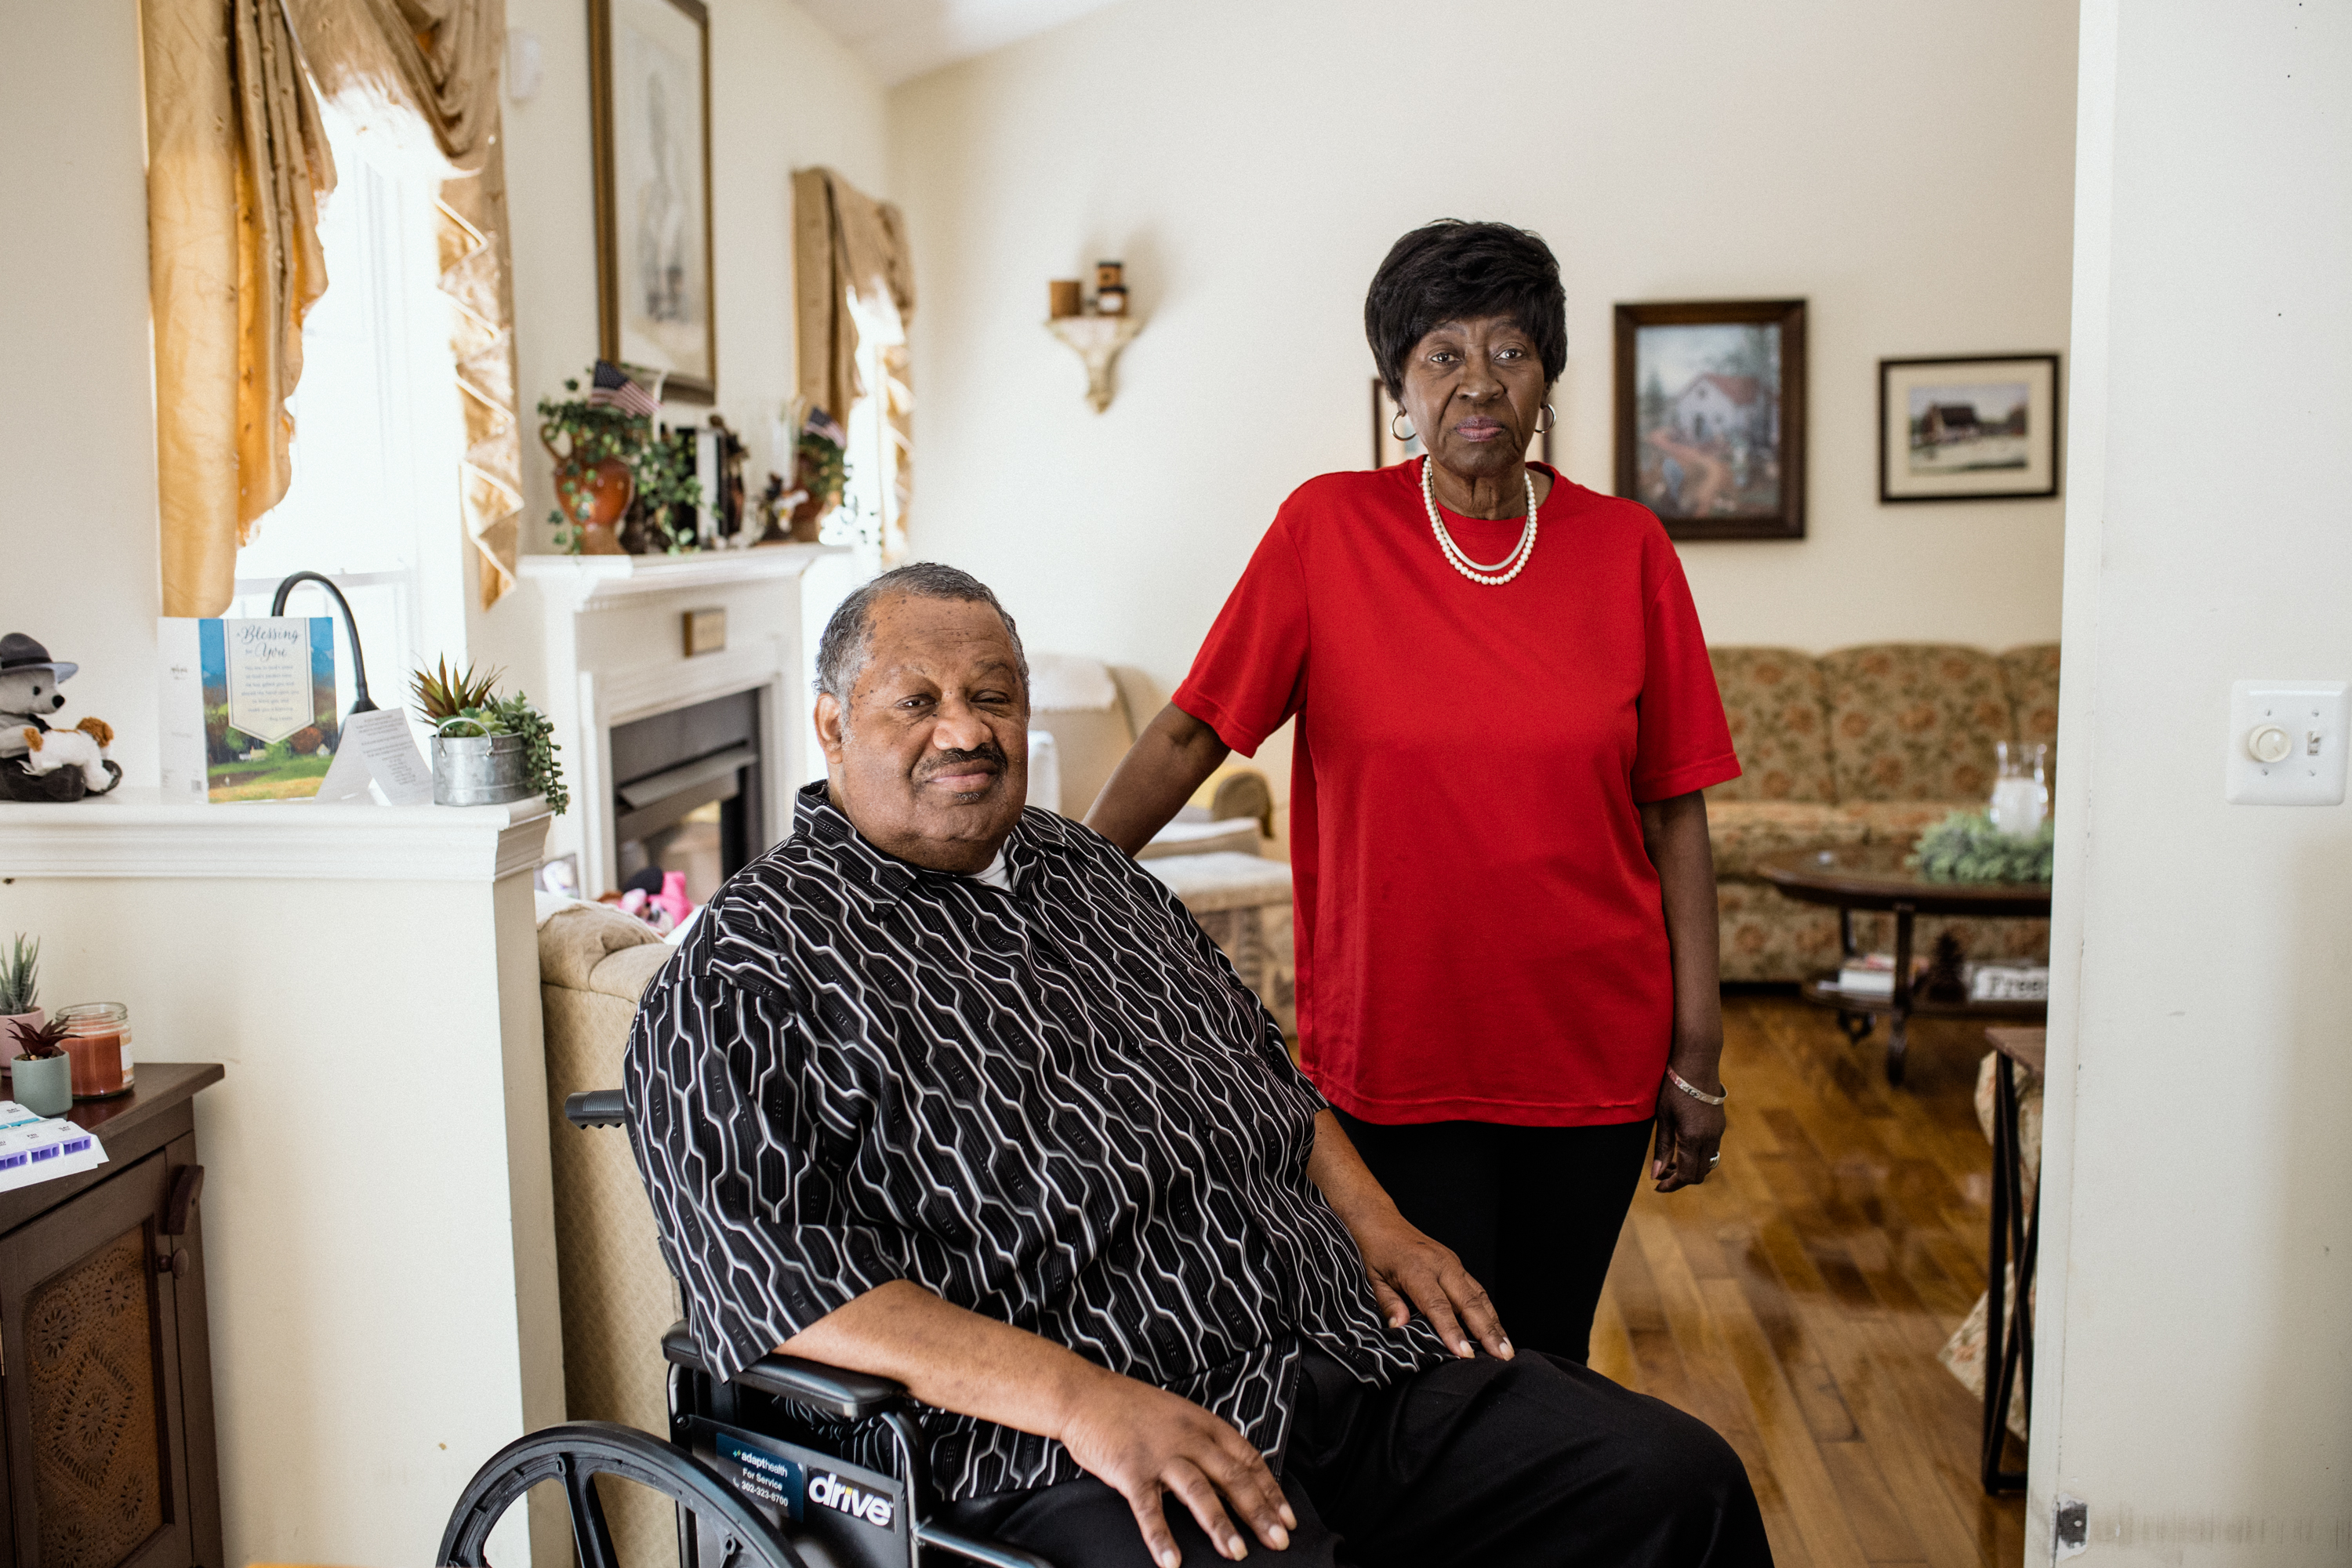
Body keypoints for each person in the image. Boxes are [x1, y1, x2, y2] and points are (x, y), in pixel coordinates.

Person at [627, 564, 1769, 1567]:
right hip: (1065, 1447)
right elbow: (771, 1279)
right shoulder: (747, 965)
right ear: (832, 728)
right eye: (916, 703)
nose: (965, 731)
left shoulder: (1090, 872)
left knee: (1675, 1484)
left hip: (1333, 1356)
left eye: (993, 697)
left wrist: (1381, 1223)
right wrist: (1085, 1403)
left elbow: (1264, 1071)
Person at [1087, 220, 1741, 1364]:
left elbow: (1672, 807)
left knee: (1548, 1358)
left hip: (1590, 1049)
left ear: (1547, 379)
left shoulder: (1627, 548)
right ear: (1398, 387)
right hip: (1396, 1051)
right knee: (1424, 1367)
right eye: (1443, 354)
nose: (1479, 381)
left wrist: (1700, 1051)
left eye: (1511, 351)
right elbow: (1194, 732)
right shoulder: (1327, 531)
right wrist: (1058, 879)